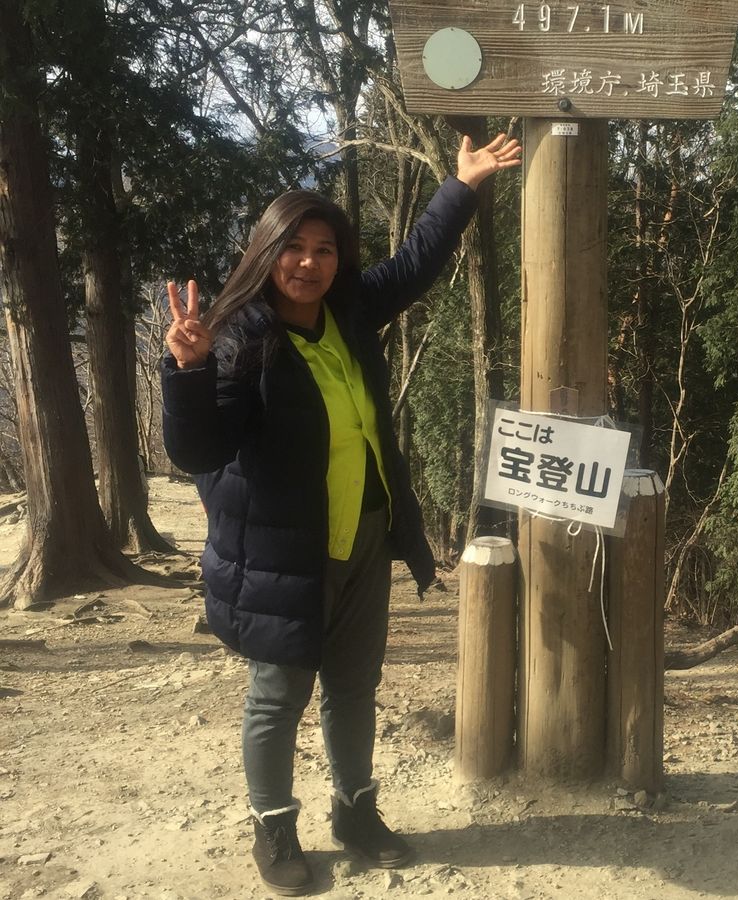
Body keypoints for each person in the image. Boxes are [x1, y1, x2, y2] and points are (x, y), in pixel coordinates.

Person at [161, 133, 521, 896]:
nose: (309, 263)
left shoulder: (347, 311)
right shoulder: (239, 338)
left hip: (364, 538)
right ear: (266, 253)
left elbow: (414, 263)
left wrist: (461, 186)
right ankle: (274, 828)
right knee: (278, 697)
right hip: (281, 555)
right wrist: (187, 372)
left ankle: (356, 812)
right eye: (294, 248)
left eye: (324, 250)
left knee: (354, 688)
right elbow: (198, 452)